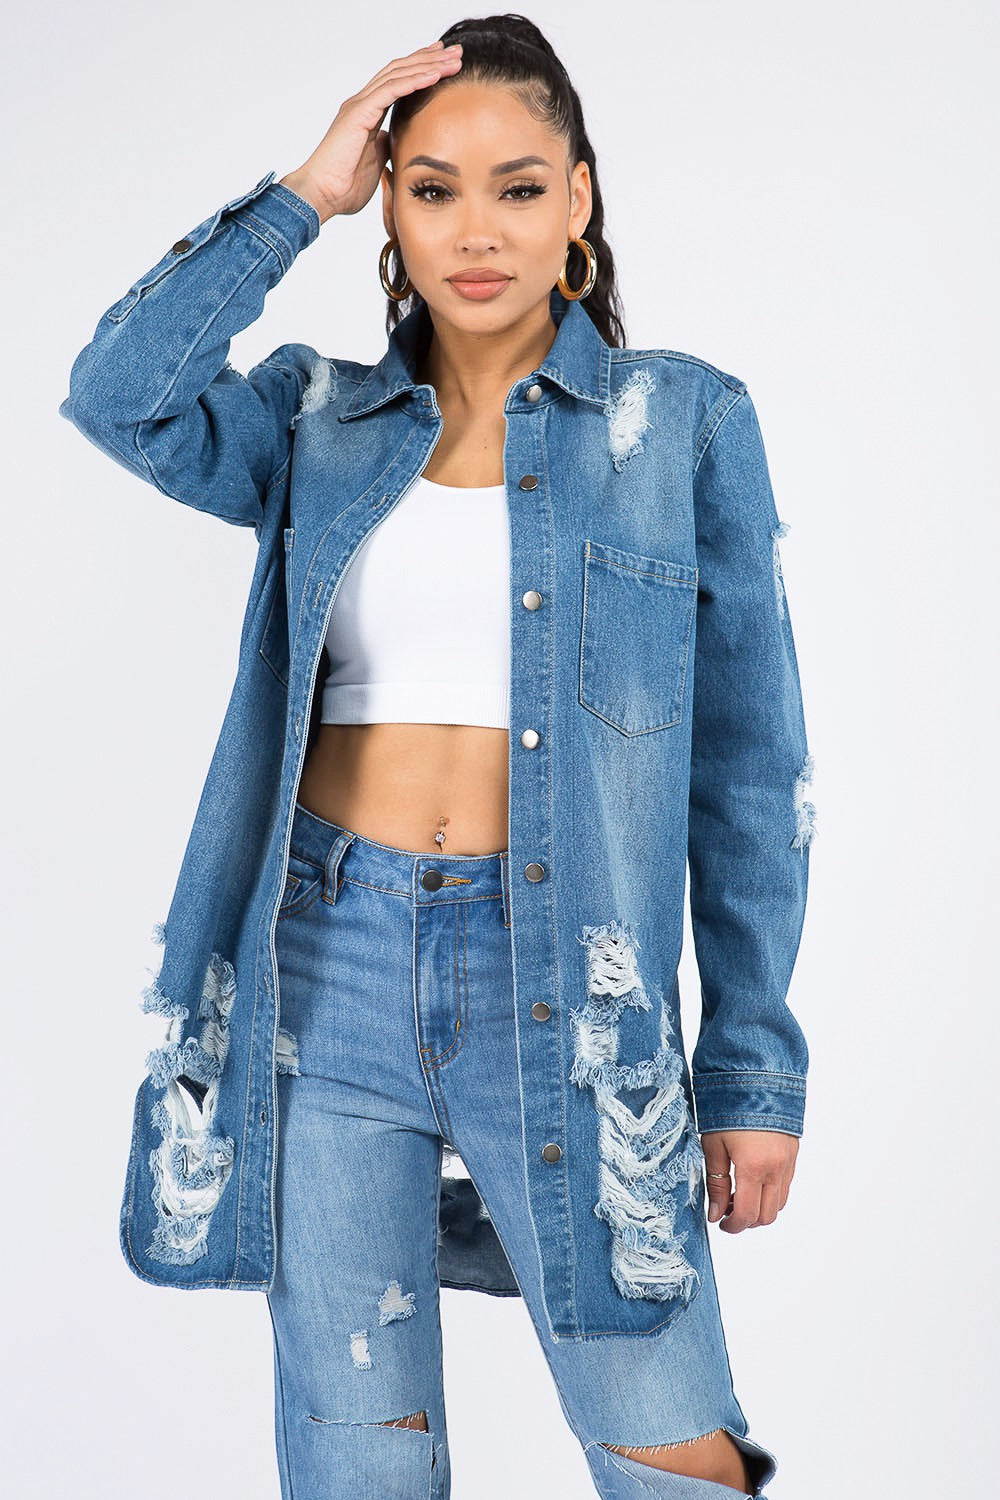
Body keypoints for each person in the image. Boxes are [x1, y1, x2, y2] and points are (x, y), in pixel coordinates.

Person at [59, 14, 815, 1499]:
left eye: (521, 187)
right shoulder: (315, 421)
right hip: (325, 972)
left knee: (671, 1445)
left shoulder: (683, 428)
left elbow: (749, 774)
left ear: (580, 201)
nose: (480, 230)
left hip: (568, 989)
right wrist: (303, 192)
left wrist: (752, 1069)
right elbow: (119, 393)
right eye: (434, 187)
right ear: (391, 207)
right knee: (358, 1458)